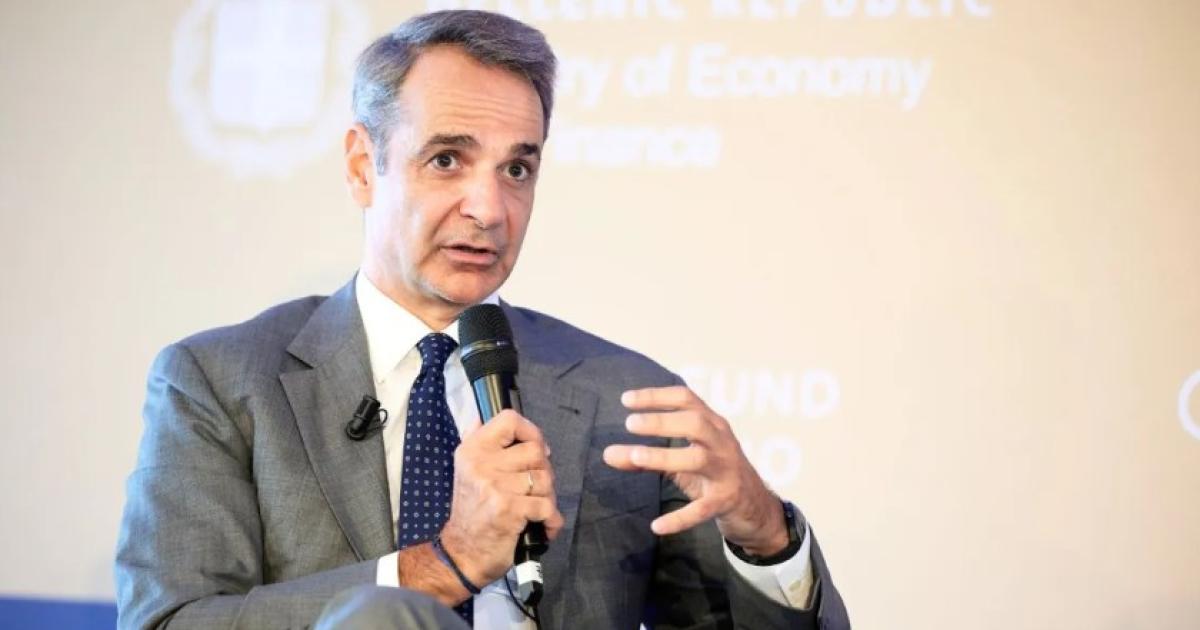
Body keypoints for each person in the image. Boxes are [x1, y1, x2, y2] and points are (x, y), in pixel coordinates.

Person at [115, 10, 850, 630]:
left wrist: (765, 536)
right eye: (446, 160)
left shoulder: (624, 398)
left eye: (517, 169)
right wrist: (445, 565)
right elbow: (170, 621)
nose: (490, 209)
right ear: (363, 165)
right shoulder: (221, 382)